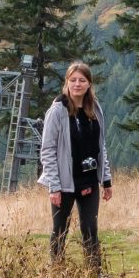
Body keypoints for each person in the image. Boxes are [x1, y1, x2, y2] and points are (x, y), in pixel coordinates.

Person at [39, 60, 112, 266]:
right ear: (67, 83)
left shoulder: (95, 109)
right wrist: (54, 187)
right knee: (60, 230)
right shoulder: (57, 111)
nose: (77, 84)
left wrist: (106, 180)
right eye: (73, 80)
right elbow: (48, 150)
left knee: (90, 230)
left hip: (89, 181)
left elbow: (101, 146)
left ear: (89, 84)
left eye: (82, 80)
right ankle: (57, 275)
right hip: (64, 184)